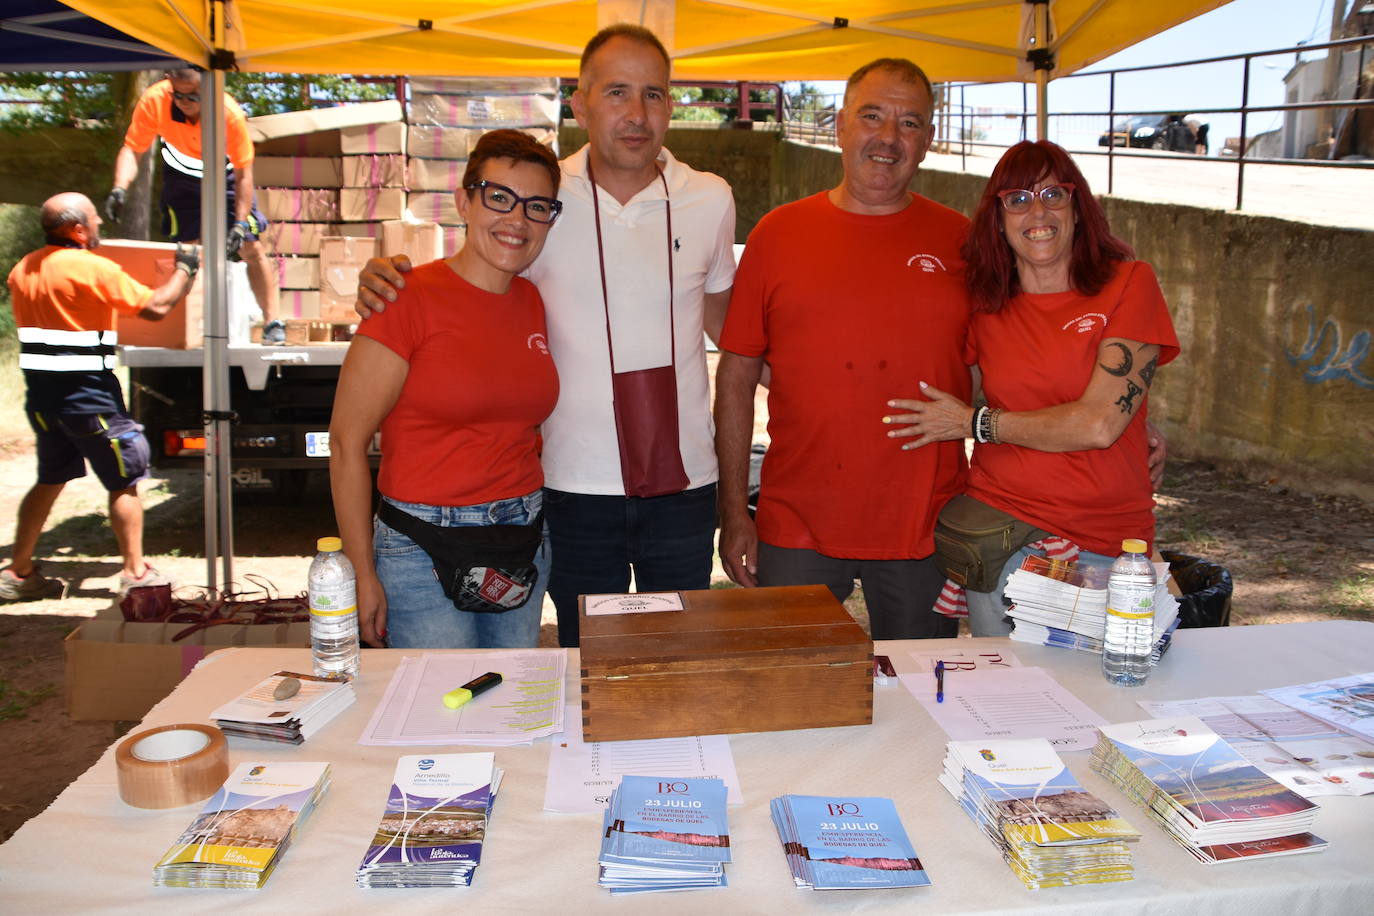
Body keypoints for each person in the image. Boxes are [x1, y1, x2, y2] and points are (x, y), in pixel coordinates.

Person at [355, 25, 736, 647]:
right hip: (569, 483)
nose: (636, 114)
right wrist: (384, 281)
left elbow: (724, 316)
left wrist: (797, 366)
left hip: (684, 482)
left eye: (654, 94)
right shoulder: (543, 197)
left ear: (673, 103)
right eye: (616, 93)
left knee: (680, 652)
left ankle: (680, 750)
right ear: (580, 102)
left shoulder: (710, 199)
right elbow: (472, 278)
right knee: (588, 655)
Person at [714, 59, 968, 639]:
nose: (888, 137)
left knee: (920, 701)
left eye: (909, 123)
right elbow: (734, 377)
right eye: (872, 116)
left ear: (927, 141)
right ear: (839, 126)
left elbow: (1010, 362)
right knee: (792, 692)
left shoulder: (964, 242)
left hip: (923, 525)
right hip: (797, 521)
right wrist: (734, 514)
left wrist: (1130, 431)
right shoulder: (778, 235)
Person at [884, 140, 1180, 636]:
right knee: (1011, 703)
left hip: (1110, 540)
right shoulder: (984, 305)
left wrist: (974, 424)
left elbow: (1100, 423)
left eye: (1053, 194)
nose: (1036, 211)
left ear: (1079, 208)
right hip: (1006, 536)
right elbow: (928, 375)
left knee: (1116, 702)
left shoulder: (1129, 283)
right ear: (998, 219)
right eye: (1017, 199)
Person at [328, 130, 562, 649]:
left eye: (537, 206)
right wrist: (361, 573)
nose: (516, 219)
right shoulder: (405, 298)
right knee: (439, 715)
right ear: (464, 201)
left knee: (508, 699)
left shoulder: (533, 301)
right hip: (421, 546)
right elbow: (345, 441)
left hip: (521, 536)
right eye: (499, 197)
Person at [2, 193, 196, 600]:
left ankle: (18, 572)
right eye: (95, 220)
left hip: (43, 399)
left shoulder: (23, 269)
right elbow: (156, 307)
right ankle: (136, 573)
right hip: (89, 396)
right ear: (78, 229)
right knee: (125, 479)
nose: (99, 227)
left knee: (50, 478)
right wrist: (184, 269)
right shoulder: (92, 268)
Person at [106, 68, 282, 342]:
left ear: (209, 90)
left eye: (193, 95)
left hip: (225, 177)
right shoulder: (155, 100)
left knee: (250, 245)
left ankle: (272, 321)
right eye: (178, 94)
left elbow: (244, 174)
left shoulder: (228, 113)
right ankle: (183, 327)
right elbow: (133, 149)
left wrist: (238, 222)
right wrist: (119, 187)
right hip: (181, 177)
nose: (184, 101)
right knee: (188, 250)